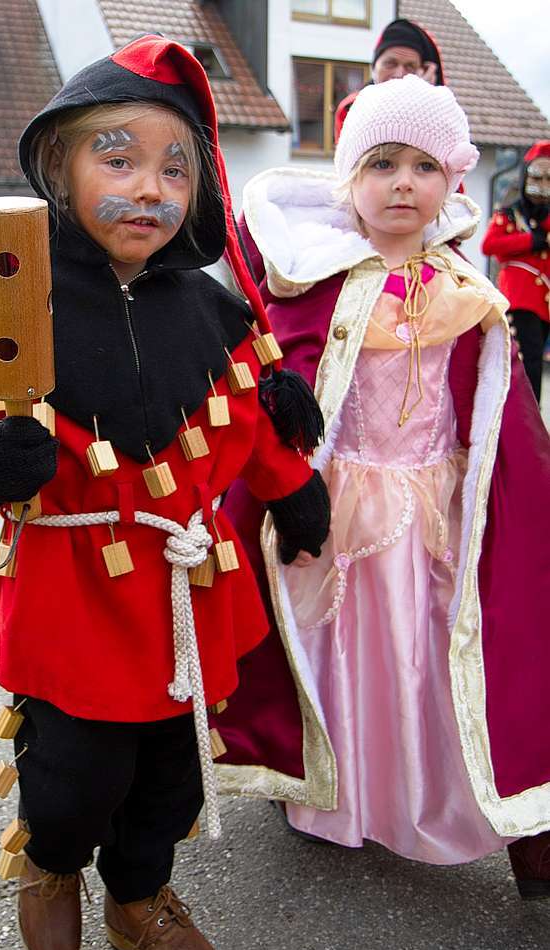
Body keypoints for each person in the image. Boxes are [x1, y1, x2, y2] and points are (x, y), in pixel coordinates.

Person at [0, 36, 329, 950]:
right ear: (58, 170)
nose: (148, 186)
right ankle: (54, 859)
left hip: (191, 595)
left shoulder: (218, 317)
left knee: (170, 778)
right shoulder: (12, 306)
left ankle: (139, 898)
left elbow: (246, 423)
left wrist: (290, 484)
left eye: (174, 167)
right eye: (118, 157)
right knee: (71, 773)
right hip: (72, 595)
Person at [215, 75, 550, 898]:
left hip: (435, 507)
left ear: (452, 180)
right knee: (341, 650)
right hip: (339, 508)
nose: (404, 182)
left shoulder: (466, 289)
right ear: (348, 177)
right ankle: (339, 796)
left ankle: (429, 794)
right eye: (382, 163)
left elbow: (495, 412)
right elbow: (277, 381)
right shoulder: (310, 279)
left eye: (425, 166)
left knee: (431, 652)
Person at [482, 141, 550, 402]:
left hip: (543, 301)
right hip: (521, 296)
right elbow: (489, 245)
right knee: (528, 361)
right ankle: (527, 415)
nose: (542, 185)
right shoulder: (511, 214)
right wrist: (530, 242)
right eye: (537, 177)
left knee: (534, 361)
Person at [334, 18, 444, 144]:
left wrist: (426, 98)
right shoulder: (351, 108)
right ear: (374, 68)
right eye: (390, 64)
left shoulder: (436, 108)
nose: (399, 74)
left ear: (423, 71)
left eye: (410, 67)